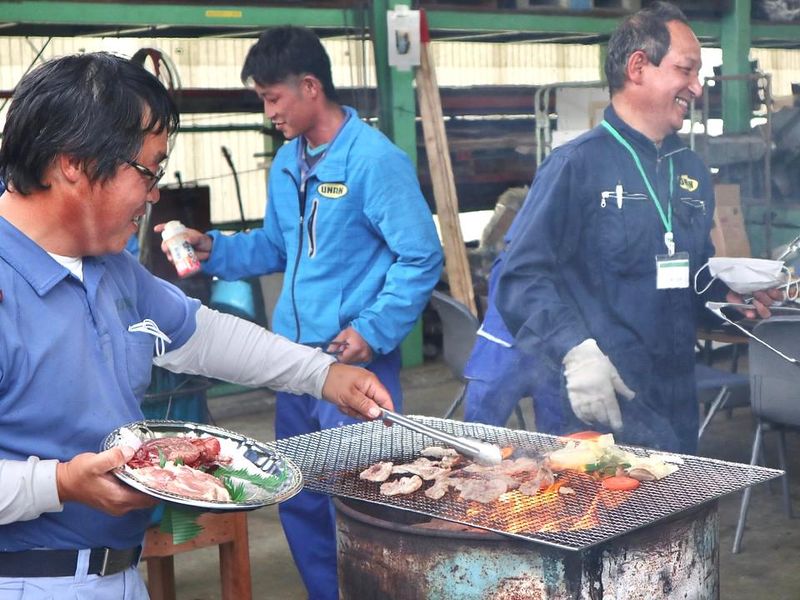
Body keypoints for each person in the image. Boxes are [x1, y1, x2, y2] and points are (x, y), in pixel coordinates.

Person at [0, 52, 395, 599]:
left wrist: (323, 375)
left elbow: (203, 335)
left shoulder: (108, 268)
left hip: (118, 573)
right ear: (75, 163)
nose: (154, 194)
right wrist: (61, 483)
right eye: (148, 171)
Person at [155, 26, 443, 599]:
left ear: (311, 86)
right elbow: (277, 246)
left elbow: (421, 254)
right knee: (302, 496)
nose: (269, 113)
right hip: (293, 366)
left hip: (354, 365)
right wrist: (215, 249)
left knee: (364, 500)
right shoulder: (288, 162)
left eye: (273, 98)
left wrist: (374, 329)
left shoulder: (373, 161)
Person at [495, 2, 781, 456]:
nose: (697, 88)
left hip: (674, 400)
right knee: (598, 503)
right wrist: (575, 351)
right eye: (686, 70)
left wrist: (731, 300)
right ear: (638, 67)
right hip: (597, 400)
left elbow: (691, 278)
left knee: (675, 500)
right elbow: (520, 279)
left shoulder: (690, 170)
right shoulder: (576, 166)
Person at [463, 250, 563, 430]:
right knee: (476, 435)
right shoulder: (519, 255)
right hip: (501, 350)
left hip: (551, 354)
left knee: (562, 441)